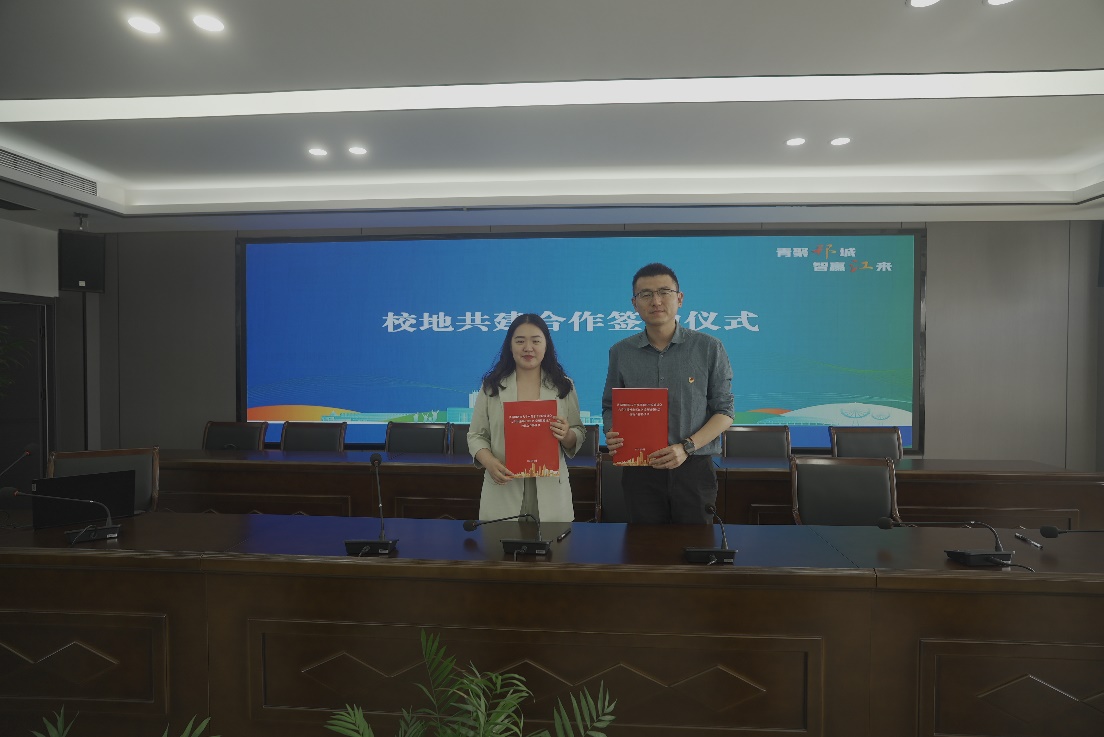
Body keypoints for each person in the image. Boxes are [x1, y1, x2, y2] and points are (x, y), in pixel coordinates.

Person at [602, 263, 734, 523]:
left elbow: (724, 411)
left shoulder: (709, 348)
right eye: (646, 294)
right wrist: (612, 431)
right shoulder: (621, 352)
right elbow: (610, 405)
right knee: (644, 545)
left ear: (679, 298)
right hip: (640, 469)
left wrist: (686, 447)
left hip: (693, 468)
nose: (656, 301)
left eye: (664, 292)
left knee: (696, 545)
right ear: (634, 303)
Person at [468, 313, 585, 522]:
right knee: (500, 543)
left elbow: (578, 431)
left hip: (551, 491)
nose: (528, 348)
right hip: (504, 488)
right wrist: (489, 462)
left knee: (552, 544)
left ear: (546, 345)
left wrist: (567, 434)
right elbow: (476, 436)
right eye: (520, 341)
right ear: (510, 346)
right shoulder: (492, 386)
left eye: (536, 341)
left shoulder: (563, 385)